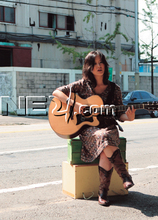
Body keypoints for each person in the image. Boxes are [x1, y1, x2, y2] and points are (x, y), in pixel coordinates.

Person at [52, 50, 136, 206]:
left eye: (101, 62)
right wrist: (75, 105)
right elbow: (57, 92)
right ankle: (124, 176)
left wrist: (128, 118)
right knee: (104, 140)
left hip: (109, 127)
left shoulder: (114, 89)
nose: (99, 66)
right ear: (89, 67)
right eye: (95, 63)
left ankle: (103, 193)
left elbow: (120, 114)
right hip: (89, 129)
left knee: (106, 143)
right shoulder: (82, 85)